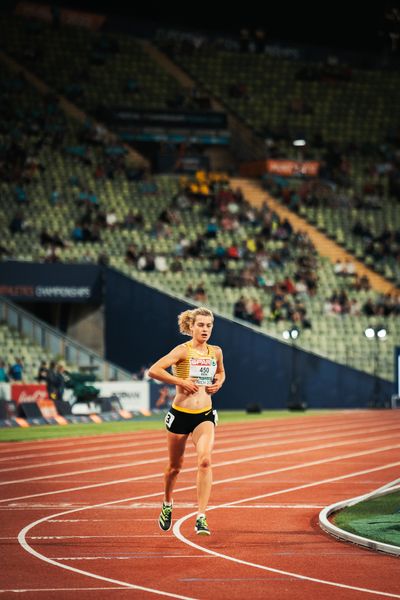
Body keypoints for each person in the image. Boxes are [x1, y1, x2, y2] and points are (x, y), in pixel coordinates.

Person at [148, 307, 225, 536]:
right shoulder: (182, 351)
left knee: (205, 461)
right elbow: (154, 370)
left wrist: (218, 382)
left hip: (204, 415)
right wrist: (179, 381)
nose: (205, 329)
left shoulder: (216, 351)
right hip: (181, 414)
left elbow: (221, 372)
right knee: (175, 468)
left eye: (208, 325)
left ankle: (201, 516)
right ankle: (167, 503)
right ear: (191, 327)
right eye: (200, 325)